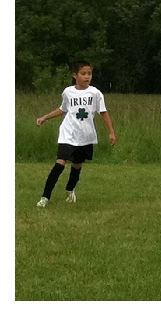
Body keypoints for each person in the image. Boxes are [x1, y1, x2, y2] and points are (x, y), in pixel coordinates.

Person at [35, 60, 116, 207]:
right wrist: (45, 117)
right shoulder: (68, 92)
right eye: (83, 73)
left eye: (89, 73)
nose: (87, 76)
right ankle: (45, 197)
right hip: (68, 134)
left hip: (85, 136)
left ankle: (70, 190)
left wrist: (111, 132)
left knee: (77, 165)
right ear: (75, 75)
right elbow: (63, 109)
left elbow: (103, 112)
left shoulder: (95, 93)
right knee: (60, 163)